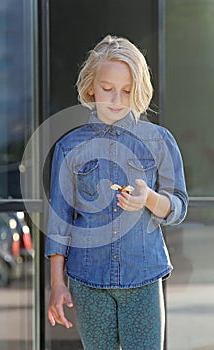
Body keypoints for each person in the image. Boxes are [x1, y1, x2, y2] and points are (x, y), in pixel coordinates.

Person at [45, 35, 188, 350]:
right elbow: (59, 221)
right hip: (86, 279)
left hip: (144, 277)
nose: (116, 99)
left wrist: (148, 198)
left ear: (137, 91)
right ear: (91, 86)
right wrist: (57, 284)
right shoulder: (70, 146)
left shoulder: (159, 141)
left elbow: (178, 207)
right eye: (108, 89)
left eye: (126, 91)